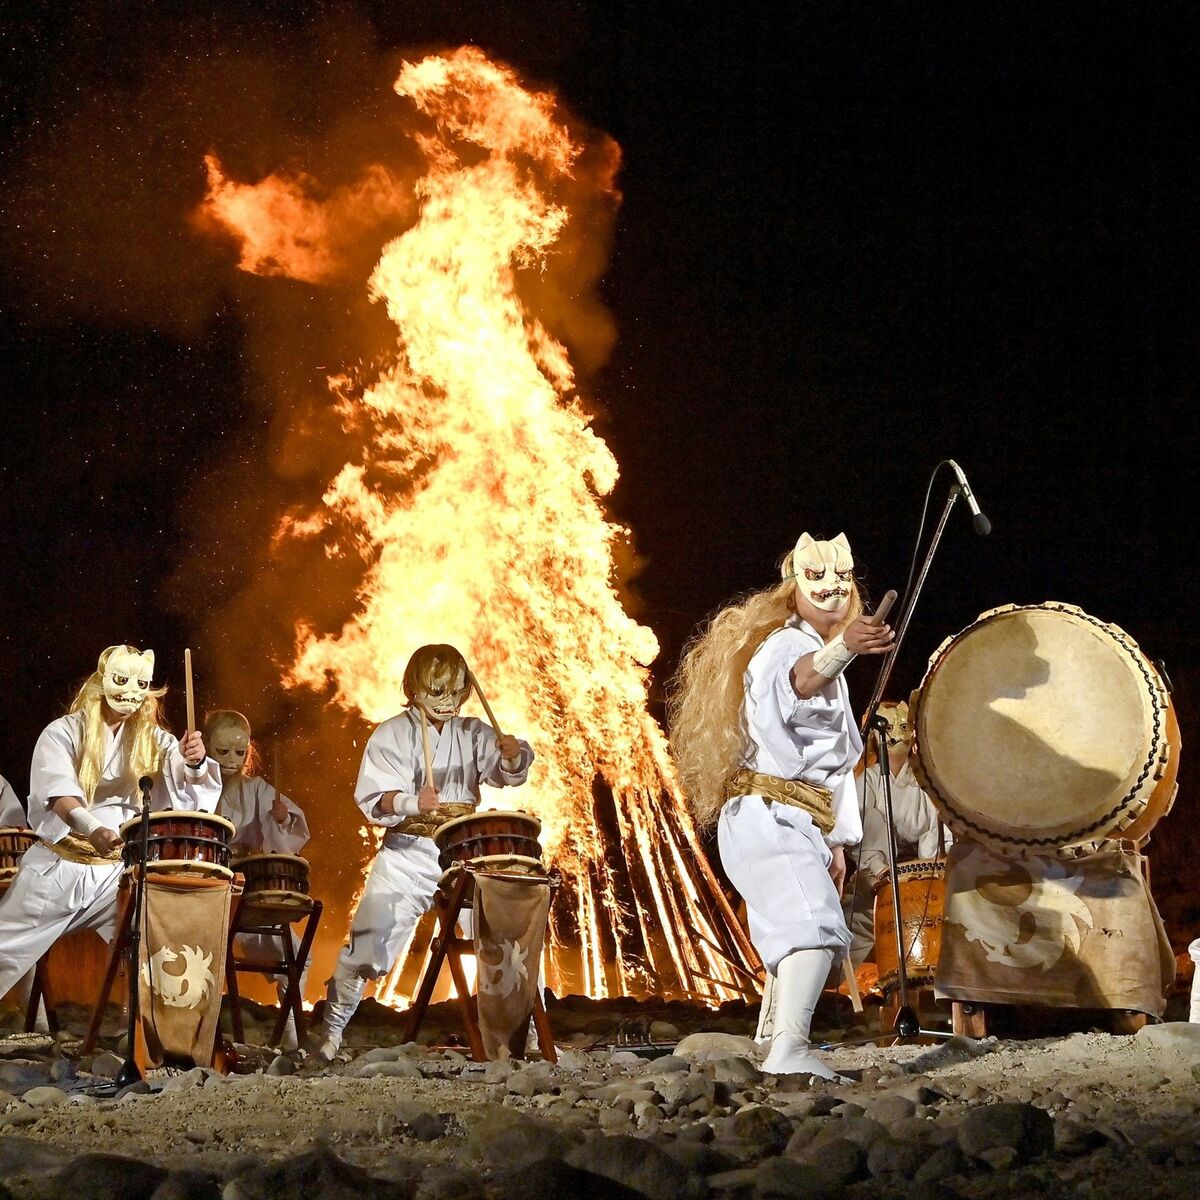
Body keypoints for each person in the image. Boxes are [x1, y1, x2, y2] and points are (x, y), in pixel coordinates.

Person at [668, 532, 892, 1077]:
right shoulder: (784, 648)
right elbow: (800, 681)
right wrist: (844, 649)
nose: (831, 589)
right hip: (767, 814)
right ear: (792, 589)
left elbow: (834, 766)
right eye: (815, 579)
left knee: (792, 931)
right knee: (814, 930)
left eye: (841, 580)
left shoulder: (819, 659)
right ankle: (790, 1050)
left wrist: (835, 840)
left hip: (791, 821)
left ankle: (772, 1043)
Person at [312, 643, 534, 1061]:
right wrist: (411, 803)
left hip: (463, 855)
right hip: (406, 854)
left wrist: (513, 756)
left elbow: (505, 774)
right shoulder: (391, 733)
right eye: (437, 692)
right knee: (366, 945)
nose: (448, 703)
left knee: (501, 940)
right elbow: (373, 799)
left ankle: (523, 1038)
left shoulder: (472, 732)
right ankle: (330, 1031)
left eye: (455, 692)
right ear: (414, 690)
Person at [0, 645, 221, 1000]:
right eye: (121, 681)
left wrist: (192, 762)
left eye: (140, 685)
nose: (131, 693)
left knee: (151, 952)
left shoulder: (153, 739)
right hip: (60, 869)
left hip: (116, 877)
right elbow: (59, 795)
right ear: (102, 682)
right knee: (3, 949)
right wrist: (93, 829)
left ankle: (146, 1038)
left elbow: (187, 788)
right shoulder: (63, 733)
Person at [205, 709, 311, 1049]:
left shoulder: (257, 789)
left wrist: (282, 818)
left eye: (240, 752)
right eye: (222, 752)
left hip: (245, 889)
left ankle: (292, 1031)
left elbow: (289, 831)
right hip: (204, 887)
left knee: (296, 954)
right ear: (206, 747)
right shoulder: (191, 786)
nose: (232, 760)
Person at [845, 699, 949, 968]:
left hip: (927, 880)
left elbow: (939, 827)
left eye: (903, 726)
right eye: (889, 727)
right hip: (877, 880)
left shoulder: (931, 781)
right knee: (846, 933)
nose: (897, 733)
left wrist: (932, 873)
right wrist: (880, 871)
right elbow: (859, 833)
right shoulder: (865, 782)